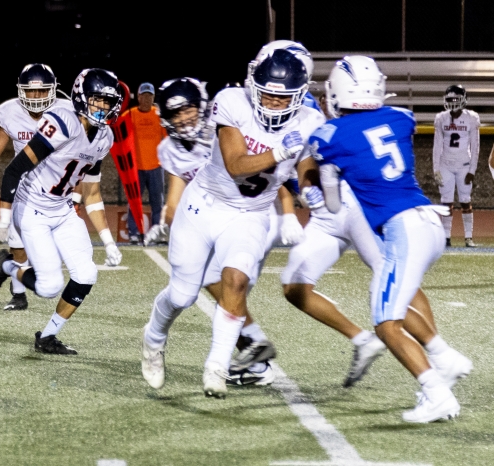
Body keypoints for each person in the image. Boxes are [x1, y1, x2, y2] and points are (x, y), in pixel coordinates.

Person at [141, 49, 324, 398]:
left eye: (282, 97)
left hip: (251, 214)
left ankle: (217, 366)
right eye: (267, 93)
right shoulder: (232, 101)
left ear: (299, 95)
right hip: (205, 205)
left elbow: (306, 167)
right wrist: (280, 152)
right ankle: (153, 339)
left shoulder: (309, 120)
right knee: (182, 295)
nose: (272, 103)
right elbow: (237, 164)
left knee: (236, 281)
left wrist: (310, 188)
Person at [309, 55, 471, 423]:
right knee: (393, 303)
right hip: (429, 223)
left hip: (403, 231)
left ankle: (437, 395)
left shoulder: (328, 137)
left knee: (385, 323)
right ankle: (444, 358)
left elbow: (333, 203)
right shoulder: (401, 118)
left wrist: (325, 180)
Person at [0, 68, 124, 354]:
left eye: (108, 102)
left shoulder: (104, 138)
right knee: (48, 286)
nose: (103, 107)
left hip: (61, 208)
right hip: (32, 205)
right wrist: (4, 221)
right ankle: (7, 265)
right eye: (97, 100)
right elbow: (14, 169)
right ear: (82, 97)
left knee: (86, 274)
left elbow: (91, 191)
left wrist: (108, 241)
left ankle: (46, 337)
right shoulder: (62, 122)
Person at [0, 63, 75, 311]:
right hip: (22, 187)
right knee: (19, 246)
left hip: (55, 191)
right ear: (21, 91)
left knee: (50, 249)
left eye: (42, 91)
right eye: (30, 91)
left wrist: (77, 191)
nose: (35, 96)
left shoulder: (67, 112)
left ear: (53, 90)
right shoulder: (10, 113)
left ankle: (5, 265)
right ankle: (18, 295)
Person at [432, 84, 481, 248]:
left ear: (464, 100)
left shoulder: (471, 118)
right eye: (450, 99)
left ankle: (468, 237)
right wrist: (436, 168)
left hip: (464, 164)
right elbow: (437, 145)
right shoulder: (441, 118)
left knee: (465, 201)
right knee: (446, 202)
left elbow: (475, 146)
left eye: (456, 99)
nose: (453, 102)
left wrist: (472, 169)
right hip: (445, 163)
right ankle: (446, 237)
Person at [121, 82, 165, 244]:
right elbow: (118, 131)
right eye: (144, 95)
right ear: (138, 97)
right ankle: (134, 234)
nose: (146, 99)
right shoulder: (130, 115)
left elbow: (168, 138)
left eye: (150, 96)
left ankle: (156, 234)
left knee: (157, 204)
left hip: (155, 167)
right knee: (134, 202)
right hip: (135, 169)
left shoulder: (159, 114)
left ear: (153, 98)